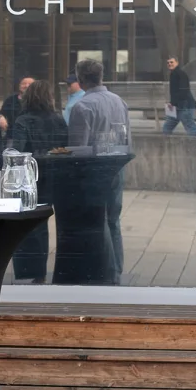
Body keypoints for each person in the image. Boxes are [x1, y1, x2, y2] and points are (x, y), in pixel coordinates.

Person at [68, 59, 131, 285]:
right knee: (113, 220)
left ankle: (108, 272)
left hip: (94, 172)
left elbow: (77, 149)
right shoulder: (119, 101)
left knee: (99, 220)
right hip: (117, 167)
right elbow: (127, 140)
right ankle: (117, 270)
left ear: (80, 78)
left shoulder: (83, 106)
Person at [11, 80, 68, 283]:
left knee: (32, 228)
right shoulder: (58, 120)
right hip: (55, 178)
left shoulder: (23, 121)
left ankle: (33, 271)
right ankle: (47, 273)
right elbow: (65, 148)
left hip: (31, 181)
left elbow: (17, 153)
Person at [162, 57, 196, 136]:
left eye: (171, 62)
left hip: (183, 106)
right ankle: (165, 145)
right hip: (178, 107)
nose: (169, 64)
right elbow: (186, 91)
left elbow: (184, 91)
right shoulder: (176, 74)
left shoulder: (178, 74)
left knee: (191, 128)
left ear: (177, 63)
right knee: (167, 128)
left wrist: (172, 102)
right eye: (168, 63)